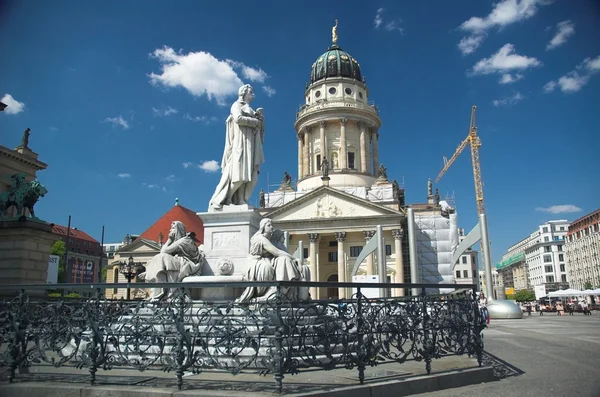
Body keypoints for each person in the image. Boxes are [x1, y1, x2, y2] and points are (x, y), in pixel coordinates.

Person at [209, 84, 265, 210]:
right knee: (239, 174)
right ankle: (227, 199)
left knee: (250, 175)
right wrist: (255, 121)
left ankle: (241, 200)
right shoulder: (236, 105)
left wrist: (259, 119)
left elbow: (259, 129)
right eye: (251, 92)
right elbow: (238, 118)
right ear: (243, 93)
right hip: (241, 143)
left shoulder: (248, 108)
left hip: (250, 144)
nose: (253, 95)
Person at [236, 218, 302, 303]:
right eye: (269, 225)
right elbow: (277, 252)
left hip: (266, 260)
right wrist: (295, 259)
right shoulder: (261, 239)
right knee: (273, 264)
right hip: (256, 263)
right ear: (263, 227)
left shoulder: (269, 239)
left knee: (284, 260)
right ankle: (275, 291)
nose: (271, 227)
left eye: (272, 225)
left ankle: (281, 290)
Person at [138, 221, 205, 300]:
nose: (170, 230)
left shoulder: (184, 240)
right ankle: (157, 293)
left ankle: (160, 294)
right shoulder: (179, 241)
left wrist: (169, 239)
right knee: (159, 259)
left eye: (172, 228)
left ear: (178, 229)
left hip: (188, 264)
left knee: (162, 258)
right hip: (180, 262)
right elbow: (162, 252)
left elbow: (164, 251)